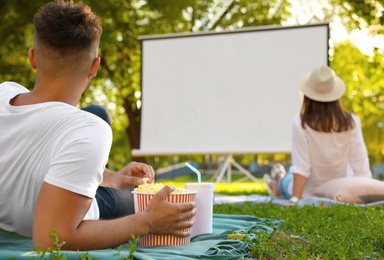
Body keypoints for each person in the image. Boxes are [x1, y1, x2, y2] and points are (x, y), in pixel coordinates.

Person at [0, 0, 196, 251]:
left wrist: (112, 178)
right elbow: (50, 238)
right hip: (80, 209)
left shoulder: (5, 92)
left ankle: (102, 175)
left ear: (32, 58)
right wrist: (147, 221)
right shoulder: (88, 131)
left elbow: (30, 156)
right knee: (99, 126)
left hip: (35, 184)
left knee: (98, 112)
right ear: (95, 67)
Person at [264, 65, 372, 204]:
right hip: (340, 192)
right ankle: (278, 178)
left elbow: (301, 167)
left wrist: (295, 199)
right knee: (289, 178)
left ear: (308, 96)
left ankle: (278, 179)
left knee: (287, 180)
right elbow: (361, 167)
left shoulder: (300, 122)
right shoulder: (352, 122)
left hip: (307, 191)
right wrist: (366, 197)